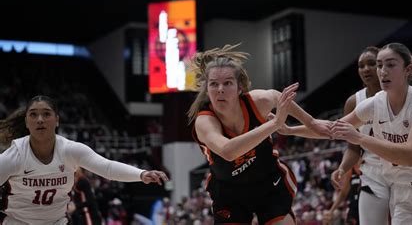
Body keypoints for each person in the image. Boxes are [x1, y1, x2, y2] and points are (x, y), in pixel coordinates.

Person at [187, 44, 331, 224]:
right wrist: (275, 124)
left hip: (268, 182)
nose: (220, 89)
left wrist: (311, 122)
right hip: (229, 192)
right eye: (214, 84)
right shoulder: (204, 121)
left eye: (228, 83)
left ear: (240, 87)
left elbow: (277, 96)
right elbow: (228, 151)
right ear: (207, 89)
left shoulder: (258, 102)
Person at [331, 43, 412, 224]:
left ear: (408, 69)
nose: (381, 71)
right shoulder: (366, 102)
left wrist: (361, 138)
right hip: (392, 183)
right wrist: (288, 125)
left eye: (389, 65)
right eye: (379, 65)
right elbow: (329, 129)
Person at [0, 95, 169, 225]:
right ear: (26, 122)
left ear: (57, 120)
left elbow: (107, 167)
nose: (40, 119)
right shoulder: (15, 155)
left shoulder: (69, 150)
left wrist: (142, 173)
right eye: (33, 115)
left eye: (46, 114)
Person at [328, 46, 390, 225]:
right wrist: (342, 169)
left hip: (402, 172)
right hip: (372, 174)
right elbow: (353, 149)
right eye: (361, 66)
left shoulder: (398, 94)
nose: (365, 69)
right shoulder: (354, 102)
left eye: (371, 64)